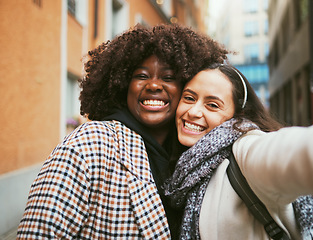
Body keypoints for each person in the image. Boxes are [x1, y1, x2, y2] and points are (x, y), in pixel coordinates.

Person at [17, 24, 229, 239]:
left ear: (185, 90)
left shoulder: (191, 157)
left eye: (168, 78)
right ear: (122, 85)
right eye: (141, 76)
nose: (154, 85)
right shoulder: (89, 143)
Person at [163, 63, 313, 239]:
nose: (194, 112)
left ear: (238, 115)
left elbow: (289, 152)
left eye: (212, 105)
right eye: (189, 98)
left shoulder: (245, 149)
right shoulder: (188, 166)